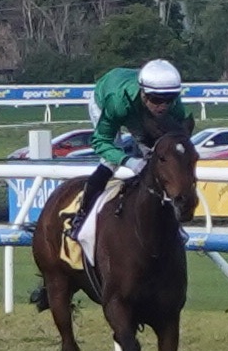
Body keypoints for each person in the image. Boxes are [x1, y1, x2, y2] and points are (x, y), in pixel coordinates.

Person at [77, 58, 193, 242]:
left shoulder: (175, 107)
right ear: (145, 94)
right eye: (156, 100)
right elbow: (100, 142)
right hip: (108, 98)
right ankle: (81, 216)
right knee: (111, 160)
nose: (162, 106)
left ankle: (172, 224)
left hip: (135, 105)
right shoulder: (116, 102)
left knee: (157, 157)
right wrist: (129, 161)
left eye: (168, 100)